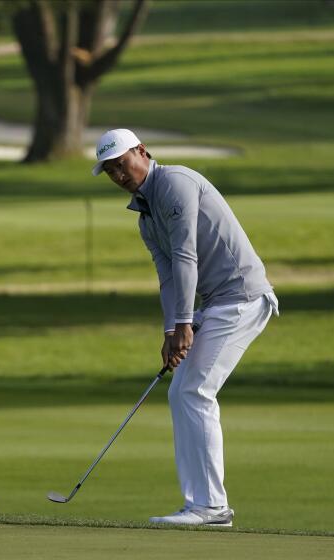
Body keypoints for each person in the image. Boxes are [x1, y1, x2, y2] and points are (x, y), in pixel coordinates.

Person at [92, 128, 279, 527]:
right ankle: (201, 503)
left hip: (242, 296)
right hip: (217, 302)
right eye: (110, 172)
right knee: (182, 392)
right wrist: (170, 331)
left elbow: (185, 257)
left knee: (194, 389)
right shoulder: (144, 216)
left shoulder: (174, 183)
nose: (119, 176)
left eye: (122, 164)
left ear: (142, 152)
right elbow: (167, 278)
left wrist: (184, 324)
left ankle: (211, 506)